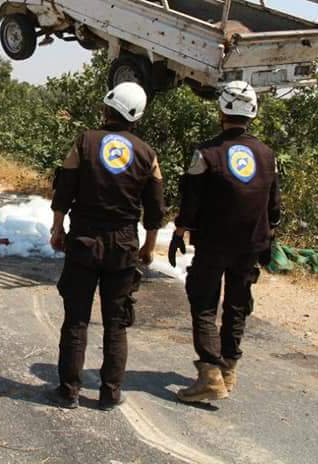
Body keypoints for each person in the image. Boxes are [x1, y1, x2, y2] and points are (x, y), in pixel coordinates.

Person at [49, 82, 166, 410]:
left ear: (106, 108)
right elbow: (155, 210)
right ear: (137, 117)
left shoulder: (84, 142)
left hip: (84, 241)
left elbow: (64, 191)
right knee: (116, 323)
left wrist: (58, 229)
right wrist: (149, 247)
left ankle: (68, 391)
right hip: (124, 245)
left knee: (76, 320)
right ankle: (110, 394)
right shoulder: (148, 154)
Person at [170, 80, 281, 403]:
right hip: (251, 245)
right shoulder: (267, 154)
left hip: (214, 243)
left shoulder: (206, 153)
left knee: (203, 301)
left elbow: (190, 203)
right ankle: (229, 369)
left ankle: (210, 374)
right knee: (237, 305)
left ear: (222, 111)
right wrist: (269, 237)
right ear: (253, 113)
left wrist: (180, 231)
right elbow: (274, 208)